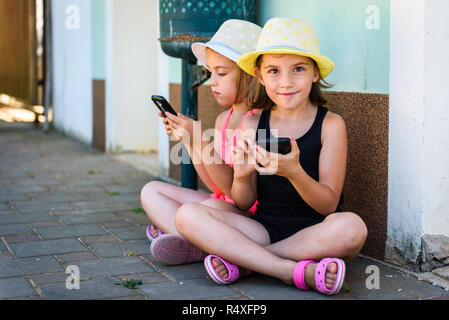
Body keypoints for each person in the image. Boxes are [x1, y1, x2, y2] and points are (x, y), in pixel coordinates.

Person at [173, 17, 368, 295]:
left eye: (298, 69)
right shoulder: (252, 124)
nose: (286, 82)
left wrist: (294, 173)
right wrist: (241, 176)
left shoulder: (331, 125)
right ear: (260, 76)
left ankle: (248, 262)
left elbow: (327, 205)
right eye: (274, 71)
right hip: (263, 227)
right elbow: (244, 202)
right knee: (188, 215)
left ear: (315, 73)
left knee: (353, 227)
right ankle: (291, 270)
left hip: (318, 231)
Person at [140, 19, 263, 265]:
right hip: (221, 205)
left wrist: (201, 141)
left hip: (248, 216)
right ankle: (197, 240)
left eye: (222, 73)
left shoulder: (258, 122)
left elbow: (238, 196)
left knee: (198, 211)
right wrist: (190, 141)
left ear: (250, 75)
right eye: (210, 72)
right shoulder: (222, 119)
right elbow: (214, 187)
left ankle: (195, 241)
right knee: (151, 191)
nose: (212, 81)